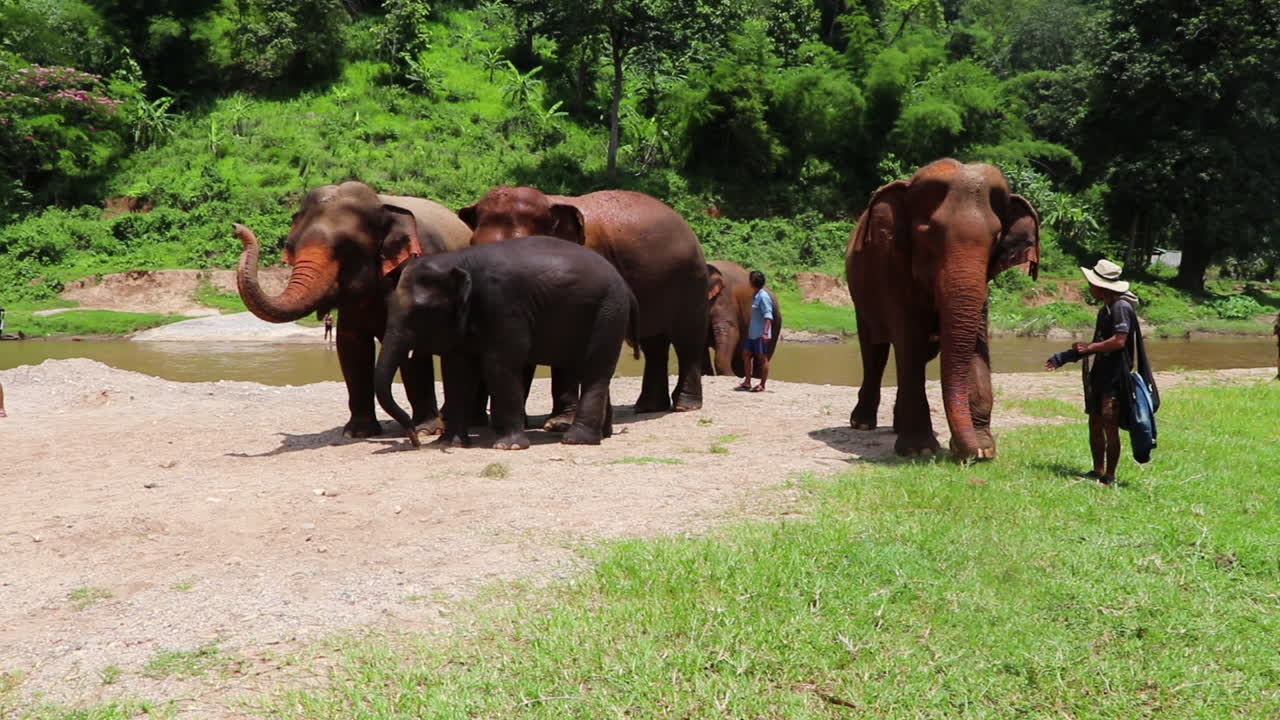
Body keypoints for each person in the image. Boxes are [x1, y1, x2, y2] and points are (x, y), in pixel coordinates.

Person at [1045, 259, 1147, 485]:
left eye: (1092, 283)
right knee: (1095, 423)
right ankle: (1097, 470)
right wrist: (1063, 358)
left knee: (1110, 426)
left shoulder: (1121, 307)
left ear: (1102, 287)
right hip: (1100, 374)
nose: (1089, 287)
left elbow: (1119, 341)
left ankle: (1109, 476)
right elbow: (1096, 344)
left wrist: (1090, 348)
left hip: (1115, 377)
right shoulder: (1106, 310)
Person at [736, 270, 773, 393]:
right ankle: (747, 381)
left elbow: (768, 316)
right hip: (752, 333)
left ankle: (762, 384)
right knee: (746, 354)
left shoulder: (763, 296)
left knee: (762, 358)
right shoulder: (755, 295)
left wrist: (766, 333)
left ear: (752, 282)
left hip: (761, 334)